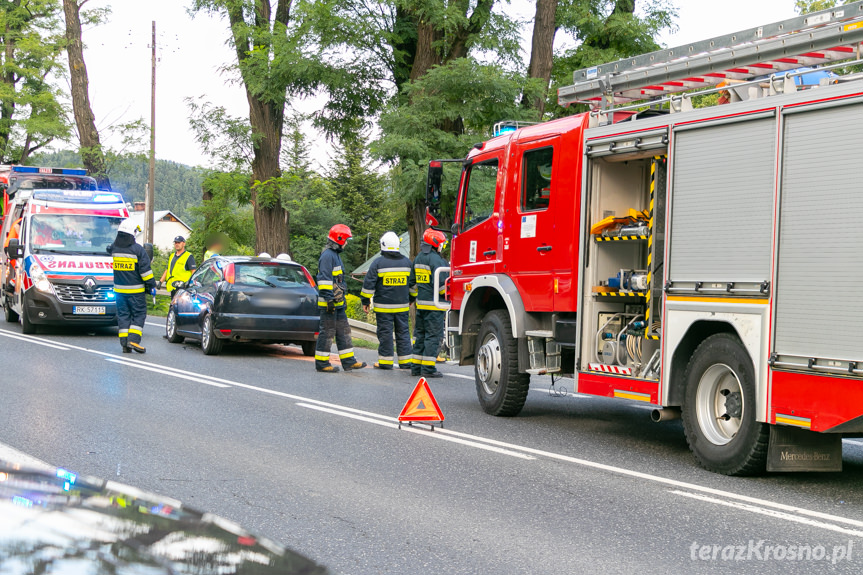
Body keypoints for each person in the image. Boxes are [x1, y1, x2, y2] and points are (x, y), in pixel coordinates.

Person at [314, 224, 367, 373]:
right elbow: (324, 280)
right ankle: (322, 364)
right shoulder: (327, 256)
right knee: (327, 333)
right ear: (339, 239)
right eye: (346, 240)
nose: (347, 243)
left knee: (343, 331)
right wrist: (329, 300)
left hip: (338, 303)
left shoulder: (335, 255)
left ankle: (349, 362)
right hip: (329, 303)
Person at [361, 232, 413, 371]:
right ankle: (406, 362)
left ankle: (386, 362)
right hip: (402, 307)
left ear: (383, 245)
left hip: (383, 308)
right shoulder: (407, 263)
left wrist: (365, 301)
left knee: (385, 334)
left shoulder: (378, 263)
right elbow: (413, 285)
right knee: (403, 333)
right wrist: (411, 299)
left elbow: (368, 284)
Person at [108, 219, 156, 354]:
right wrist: (151, 285)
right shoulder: (138, 250)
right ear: (131, 233)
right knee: (139, 314)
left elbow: (109, 248)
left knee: (123, 316)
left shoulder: (114, 249)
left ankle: (125, 344)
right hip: (136, 292)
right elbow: (146, 272)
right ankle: (133, 340)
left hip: (119, 292)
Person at [410, 228, 450, 378]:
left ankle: (415, 368)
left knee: (420, 336)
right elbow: (442, 287)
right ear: (435, 244)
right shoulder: (438, 261)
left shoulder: (418, 258)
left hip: (421, 305)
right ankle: (428, 369)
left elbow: (412, 284)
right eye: (441, 244)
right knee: (433, 337)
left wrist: (412, 299)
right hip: (434, 307)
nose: (442, 247)